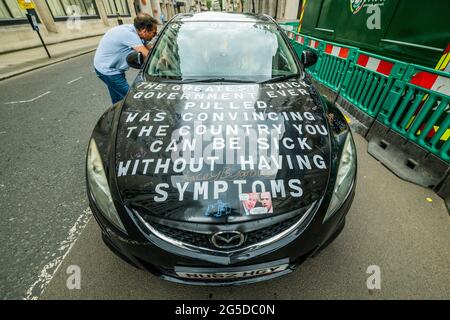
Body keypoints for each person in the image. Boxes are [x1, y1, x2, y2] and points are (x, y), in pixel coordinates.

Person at [94, 13, 158, 104]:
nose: (155, 36)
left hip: (115, 69)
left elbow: (150, 48)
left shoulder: (138, 32)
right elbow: (148, 55)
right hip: (108, 71)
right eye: (154, 33)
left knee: (118, 100)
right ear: (144, 31)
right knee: (133, 98)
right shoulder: (129, 34)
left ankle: (117, 115)